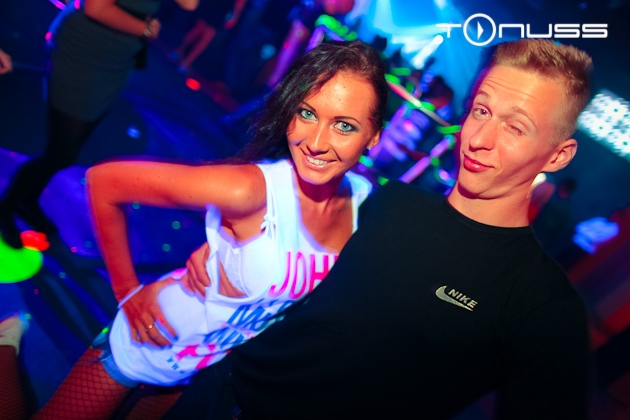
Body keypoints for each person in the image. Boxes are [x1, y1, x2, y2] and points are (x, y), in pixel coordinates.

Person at [168, 38, 593, 419]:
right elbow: (301, 269)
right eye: (481, 111)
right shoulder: (388, 200)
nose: (480, 138)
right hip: (218, 393)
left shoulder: (543, 305)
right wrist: (228, 247)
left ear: (558, 156)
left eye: (515, 127)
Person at [35, 40, 386, 419]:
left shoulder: (361, 201)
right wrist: (126, 291)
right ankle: (8, 342)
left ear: (373, 135)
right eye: (306, 113)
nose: (316, 143)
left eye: (344, 126)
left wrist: (220, 250)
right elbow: (105, 182)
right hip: (148, 339)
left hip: (201, 366)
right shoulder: (249, 190)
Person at [0, 0, 198, 250]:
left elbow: (189, 4)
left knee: (68, 149)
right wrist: (145, 28)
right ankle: (8, 206)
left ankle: (27, 198)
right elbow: (96, 8)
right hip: (83, 52)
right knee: (62, 150)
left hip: (115, 59)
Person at [171, 0, 248, 73]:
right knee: (208, 35)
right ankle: (186, 63)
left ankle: (178, 52)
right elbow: (240, 2)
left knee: (198, 28)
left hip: (211, 2)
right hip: (222, 8)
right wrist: (235, 17)